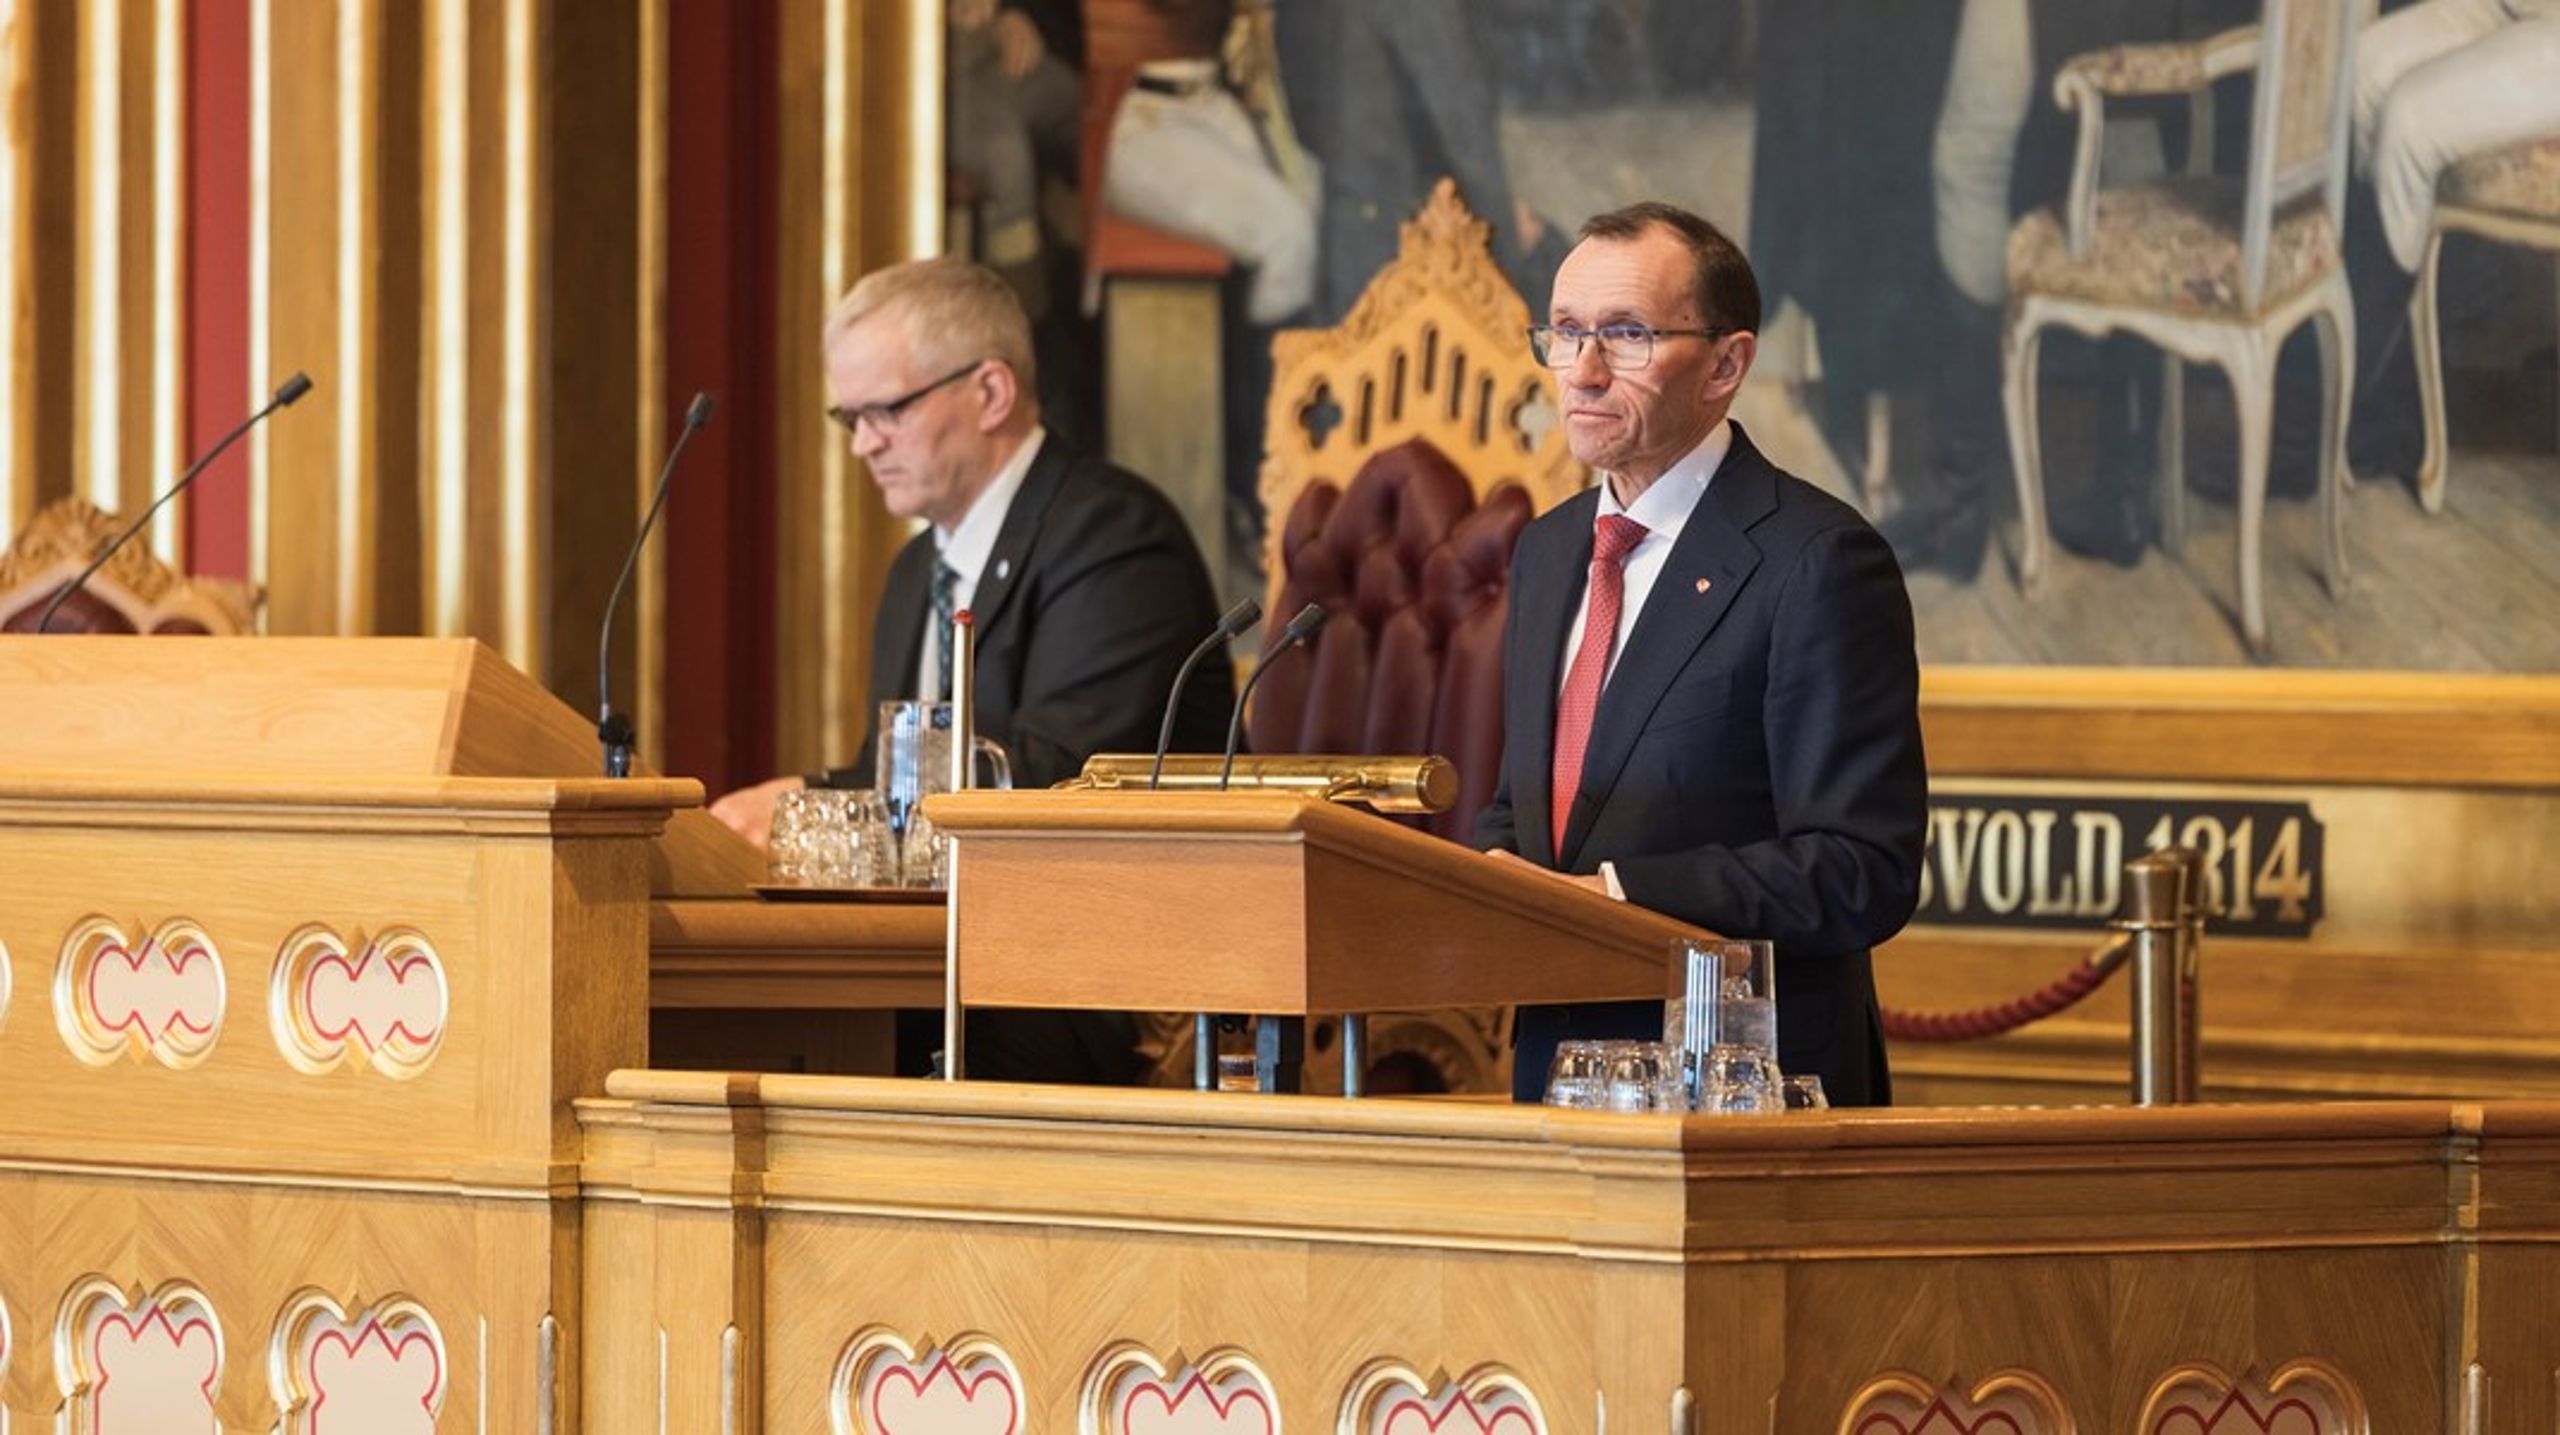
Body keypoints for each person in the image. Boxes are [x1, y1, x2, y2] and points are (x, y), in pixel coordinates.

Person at [711, 256, 1235, 1084]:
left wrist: (811, 793)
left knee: (838, 1047)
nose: (862, 443)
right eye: (848, 416)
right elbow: (900, 781)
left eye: (885, 410)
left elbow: (1068, 775)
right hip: (947, 956)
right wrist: (790, 804)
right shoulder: (915, 572)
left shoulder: (1113, 538)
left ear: (991, 392)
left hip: (1101, 979)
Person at [1474, 203, 1929, 1107]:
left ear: (1728, 364)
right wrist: (1478, 880)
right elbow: (1524, 809)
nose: (1585, 372)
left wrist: (1614, 895)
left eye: (1627, 336)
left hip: (1742, 1099)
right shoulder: (1551, 548)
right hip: (1556, 1089)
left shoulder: (1817, 561)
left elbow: (1859, 870)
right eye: (1565, 334)